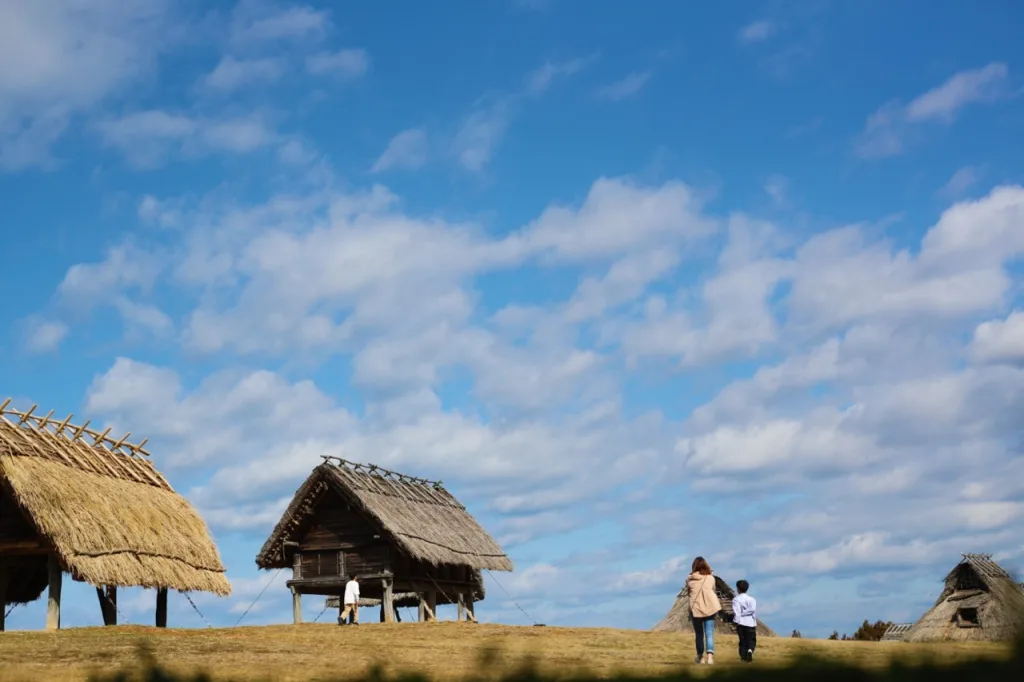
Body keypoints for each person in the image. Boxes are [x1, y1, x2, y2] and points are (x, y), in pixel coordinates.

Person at [683, 556, 721, 665]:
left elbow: (689, 593)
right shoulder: (710, 578)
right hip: (710, 607)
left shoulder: (690, 580)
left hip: (697, 608)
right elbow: (713, 589)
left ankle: (700, 657)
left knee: (699, 634)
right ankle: (710, 657)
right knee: (709, 633)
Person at [733, 579, 757, 663]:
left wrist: (736, 621)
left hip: (741, 623)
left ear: (738, 589)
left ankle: (743, 658)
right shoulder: (752, 599)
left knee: (742, 641)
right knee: (751, 640)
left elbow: (737, 613)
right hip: (751, 623)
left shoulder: (736, 600)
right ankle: (750, 650)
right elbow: (753, 610)